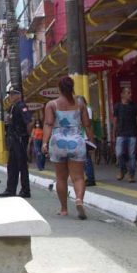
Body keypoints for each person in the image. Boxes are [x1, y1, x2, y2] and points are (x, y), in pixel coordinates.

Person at [42, 76, 94, 220]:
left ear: (59, 88)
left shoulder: (52, 105)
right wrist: (92, 141)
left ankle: (64, 209)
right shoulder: (80, 104)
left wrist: (44, 143)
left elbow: (48, 124)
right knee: (78, 177)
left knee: (61, 178)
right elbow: (87, 125)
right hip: (76, 142)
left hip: (58, 143)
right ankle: (79, 200)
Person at [0, 88, 32, 198]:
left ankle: (25, 190)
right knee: (12, 166)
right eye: (10, 94)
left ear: (19, 95)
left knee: (22, 166)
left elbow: (29, 122)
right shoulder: (13, 107)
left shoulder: (22, 106)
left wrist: (27, 137)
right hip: (13, 140)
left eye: (13, 94)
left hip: (20, 139)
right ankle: (10, 190)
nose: (10, 96)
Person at [112, 87, 137, 183]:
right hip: (120, 134)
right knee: (119, 153)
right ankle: (123, 169)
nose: (130, 95)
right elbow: (115, 121)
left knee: (131, 155)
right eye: (128, 93)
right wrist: (113, 133)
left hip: (132, 134)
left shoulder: (135, 106)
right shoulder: (117, 106)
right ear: (123, 95)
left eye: (131, 93)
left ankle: (131, 175)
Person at [77, 95, 97, 187]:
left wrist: (91, 139)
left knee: (86, 159)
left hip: (85, 137)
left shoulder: (87, 109)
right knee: (84, 158)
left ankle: (90, 178)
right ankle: (88, 176)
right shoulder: (82, 109)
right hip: (82, 137)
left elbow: (87, 124)